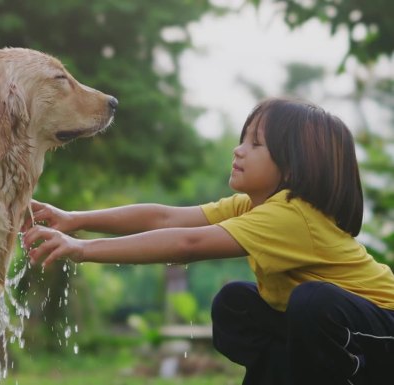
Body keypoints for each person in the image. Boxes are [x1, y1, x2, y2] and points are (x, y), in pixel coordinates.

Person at [22, 98, 394, 385]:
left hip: (382, 333)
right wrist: (76, 220)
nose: (238, 150)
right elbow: (166, 217)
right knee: (237, 305)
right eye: (242, 139)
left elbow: (188, 244)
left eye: (256, 144)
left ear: (294, 166)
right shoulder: (252, 206)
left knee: (314, 301)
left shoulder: (291, 216)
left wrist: (82, 249)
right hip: (341, 332)